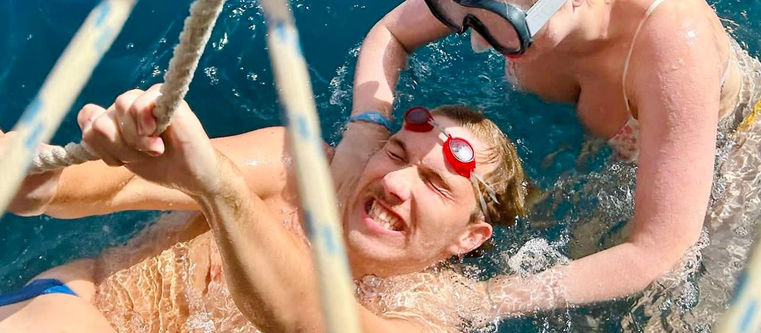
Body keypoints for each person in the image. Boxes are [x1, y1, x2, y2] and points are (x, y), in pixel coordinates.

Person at [352, 0, 761, 320]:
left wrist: (478, 300)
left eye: (505, 24)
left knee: (664, 310)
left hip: (736, 152)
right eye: (462, 7)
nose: (478, 42)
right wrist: (364, 129)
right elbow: (392, 32)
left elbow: (660, 251)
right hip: (597, 141)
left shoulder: (674, 41)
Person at [0, 85, 534, 333]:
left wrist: (219, 189)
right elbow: (115, 186)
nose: (394, 182)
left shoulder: (433, 311)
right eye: (395, 153)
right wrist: (42, 178)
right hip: (74, 311)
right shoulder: (296, 171)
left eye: (436, 185)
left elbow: (316, 325)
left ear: (470, 237)